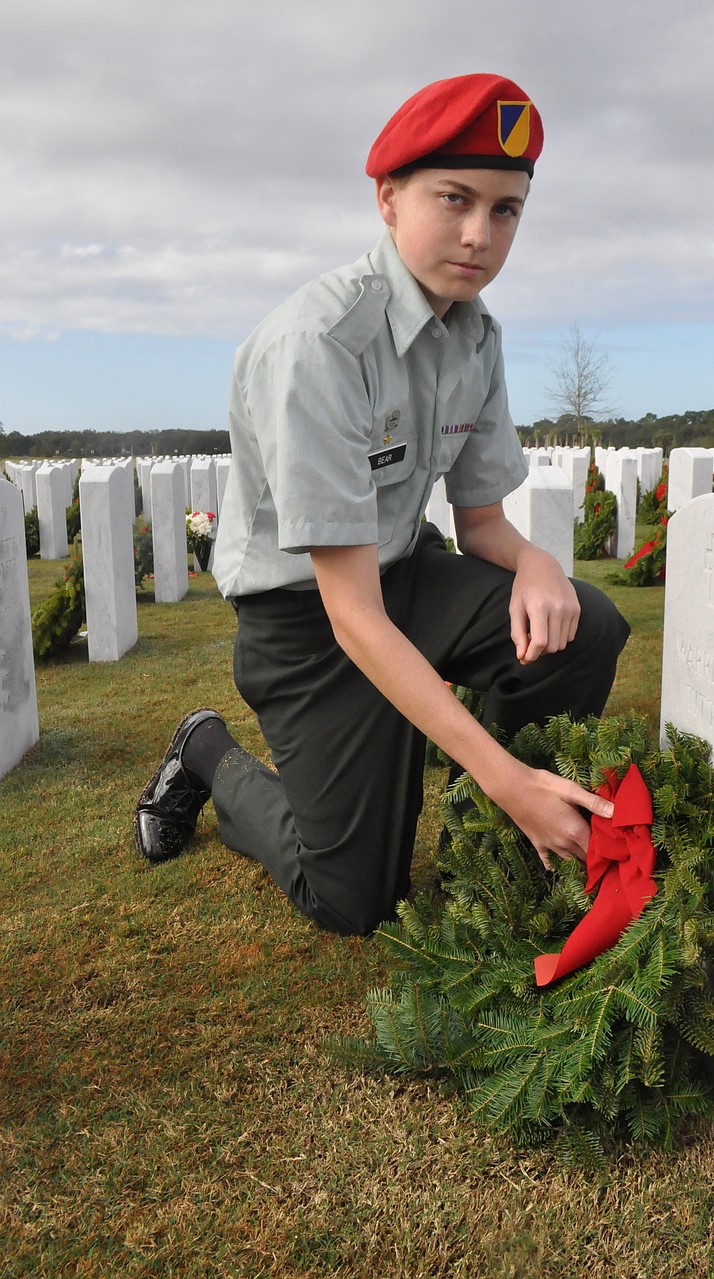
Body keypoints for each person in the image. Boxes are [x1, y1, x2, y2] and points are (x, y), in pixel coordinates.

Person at [134, 73, 631, 936]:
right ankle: (207, 752)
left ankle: (501, 862)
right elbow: (352, 616)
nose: (481, 235)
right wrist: (501, 772)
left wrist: (540, 560)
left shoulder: (476, 333)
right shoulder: (321, 346)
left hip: (403, 576)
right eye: (456, 199)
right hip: (308, 623)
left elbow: (479, 526)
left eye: (507, 210)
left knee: (582, 622)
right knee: (353, 900)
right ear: (388, 199)